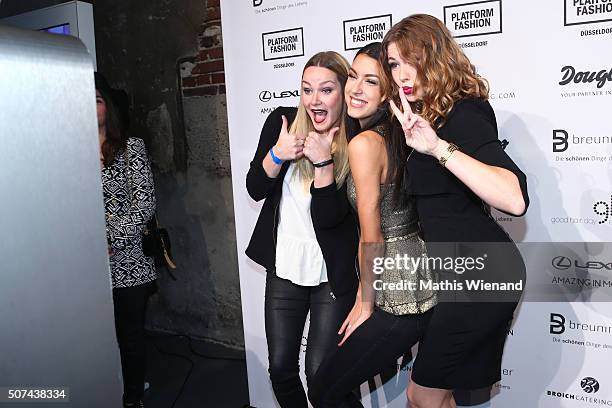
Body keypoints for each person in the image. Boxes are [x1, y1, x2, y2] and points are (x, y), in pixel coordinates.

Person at [380, 14, 529, 408]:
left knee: (421, 394)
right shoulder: (421, 118)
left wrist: (438, 150)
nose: (401, 73)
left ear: (435, 55)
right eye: (393, 63)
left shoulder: (465, 113)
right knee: (435, 396)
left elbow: (514, 199)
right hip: (455, 274)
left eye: (410, 59)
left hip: (484, 273)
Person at [308, 43, 436, 408]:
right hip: (419, 278)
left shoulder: (365, 143)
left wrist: (365, 303)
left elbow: (372, 236)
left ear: (387, 94)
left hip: (394, 294)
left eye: (371, 82)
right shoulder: (396, 135)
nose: (355, 89)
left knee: (322, 391)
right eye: (352, 77)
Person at [245, 52, 359, 408]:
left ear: (343, 91)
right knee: (280, 369)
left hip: (331, 273)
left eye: (326, 90)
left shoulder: (357, 138)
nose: (315, 100)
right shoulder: (281, 123)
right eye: (307, 89)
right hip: (284, 266)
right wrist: (277, 154)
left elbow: (330, 218)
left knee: (321, 376)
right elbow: (254, 188)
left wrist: (324, 162)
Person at [96, 73, 157, 408]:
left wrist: (109, 238)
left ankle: (133, 398)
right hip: (86, 264)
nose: (90, 107)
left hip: (129, 263)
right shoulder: (65, 153)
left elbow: (144, 204)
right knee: (99, 339)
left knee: (130, 337)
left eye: (97, 99)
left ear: (109, 107)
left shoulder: (130, 148)